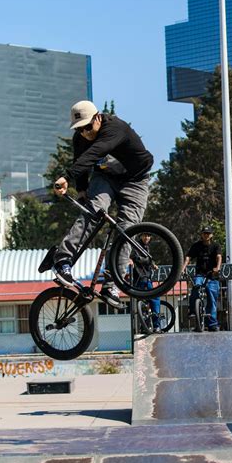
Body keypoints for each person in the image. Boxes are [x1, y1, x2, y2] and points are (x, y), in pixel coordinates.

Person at [52, 100, 154, 308]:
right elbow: (80, 160)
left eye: (88, 127)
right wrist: (81, 189)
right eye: (80, 129)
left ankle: (111, 285)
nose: (85, 133)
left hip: (136, 181)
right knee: (93, 211)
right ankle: (63, 261)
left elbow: (96, 152)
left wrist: (66, 177)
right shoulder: (80, 138)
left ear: (98, 118)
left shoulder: (115, 128)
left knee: (127, 229)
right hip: (105, 178)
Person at [183, 226, 222, 332]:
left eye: (208, 233)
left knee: (212, 298)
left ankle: (212, 324)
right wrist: (183, 268)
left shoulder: (216, 245)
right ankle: (193, 310)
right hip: (200, 274)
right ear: (201, 234)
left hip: (212, 275)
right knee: (196, 287)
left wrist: (217, 268)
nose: (206, 235)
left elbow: (219, 257)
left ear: (212, 235)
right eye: (204, 233)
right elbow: (188, 257)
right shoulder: (196, 246)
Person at [131, 232, 161, 332]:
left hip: (145, 277)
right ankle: (155, 326)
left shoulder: (146, 247)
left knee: (145, 303)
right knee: (154, 298)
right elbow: (136, 258)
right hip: (140, 278)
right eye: (144, 236)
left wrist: (153, 264)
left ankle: (147, 326)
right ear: (141, 236)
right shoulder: (136, 245)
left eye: (148, 236)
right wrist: (148, 261)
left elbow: (149, 259)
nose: (146, 238)